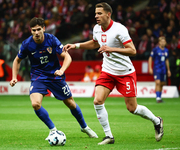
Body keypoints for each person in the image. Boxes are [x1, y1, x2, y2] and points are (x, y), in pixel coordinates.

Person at [63, 2, 163, 145]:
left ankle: (157, 121)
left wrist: (111, 49)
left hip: (125, 72)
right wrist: (76, 45)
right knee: (97, 101)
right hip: (108, 71)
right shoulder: (97, 28)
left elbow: (132, 50)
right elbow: (95, 43)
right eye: (95, 13)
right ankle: (109, 136)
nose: (96, 16)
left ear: (108, 14)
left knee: (132, 108)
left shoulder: (119, 29)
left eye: (99, 13)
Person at [9, 17, 98, 140]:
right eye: (33, 30)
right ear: (31, 31)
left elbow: (67, 57)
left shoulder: (51, 39)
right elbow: (17, 60)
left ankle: (84, 127)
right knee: (35, 104)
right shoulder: (27, 44)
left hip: (55, 76)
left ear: (43, 29)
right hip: (38, 77)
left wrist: (61, 70)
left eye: (38, 29)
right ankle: (53, 130)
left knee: (70, 103)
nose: (36, 33)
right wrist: (14, 77)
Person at [148, 36, 171, 103]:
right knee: (157, 82)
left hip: (163, 70)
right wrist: (150, 68)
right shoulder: (155, 49)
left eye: (164, 41)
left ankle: (160, 97)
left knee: (162, 83)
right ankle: (158, 98)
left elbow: (167, 60)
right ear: (159, 42)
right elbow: (150, 58)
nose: (163, 43)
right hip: (157, 69)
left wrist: (168, 70)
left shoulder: (166, 50)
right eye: (162, 41)